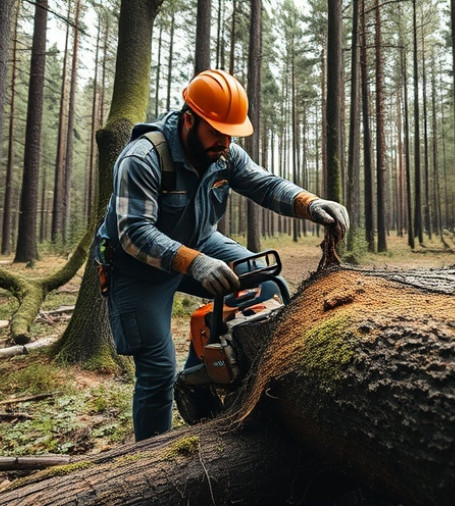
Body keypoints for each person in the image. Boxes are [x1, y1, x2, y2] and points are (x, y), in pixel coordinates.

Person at [92, 69, 349, 441]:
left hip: (201, 246)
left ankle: (198, 378)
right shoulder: (142, 157)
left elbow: (266, 185)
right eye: (216, 132)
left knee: (264, 286)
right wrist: (194, 262)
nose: (224, 142)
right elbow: (134, 233)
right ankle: (148, 460)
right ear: (189, 119)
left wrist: (310, 203)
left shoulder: (224, 153)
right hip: (137, 269)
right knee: (157, 371)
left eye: (230, 133)